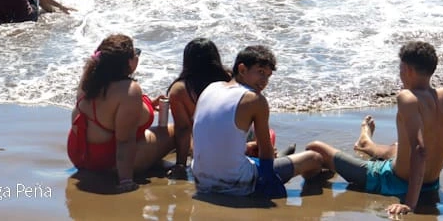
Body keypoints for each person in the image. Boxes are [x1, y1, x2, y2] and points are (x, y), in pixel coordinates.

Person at [306, 41, 443, 215]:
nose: (400, 73)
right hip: (431, 183)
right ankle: (366, 142)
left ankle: (365, 143)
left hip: (392, 181)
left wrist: (409, 204)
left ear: (409, 70)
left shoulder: (407, 98)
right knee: (397, 147)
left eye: (401, 68)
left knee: (315, 148)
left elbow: (420, 151)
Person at [191, 45, 323, 197]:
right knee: (314, 158)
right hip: (235, 182)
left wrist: (246, 148)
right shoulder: (255, 99)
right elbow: (266, 152)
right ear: (242, 69)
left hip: (201, 180)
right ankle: (313, 194)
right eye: (260, 72)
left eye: (268, 76)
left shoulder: (211, 88)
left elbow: (203, 137)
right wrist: (270, 186)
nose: (264, 81)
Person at [67, 34, 175, 193]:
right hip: (109, 163)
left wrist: (148, 104)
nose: (137, 57)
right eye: (135, 54)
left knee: (150, 137)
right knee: (178, 129)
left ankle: (157, 162)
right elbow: (125, 142)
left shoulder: (89, 78)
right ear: (128, 63)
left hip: (80, 155)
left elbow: (107, 109)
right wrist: (126, 181)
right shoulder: (128, 91)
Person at [165, 38, 232, 179]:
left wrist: (180, 165)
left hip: (206, 153)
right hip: (237, 145)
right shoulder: (231, 80)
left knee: (179, 135)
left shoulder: (180, 89)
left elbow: (183, 129)